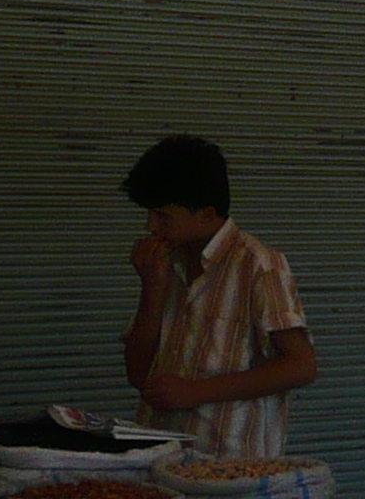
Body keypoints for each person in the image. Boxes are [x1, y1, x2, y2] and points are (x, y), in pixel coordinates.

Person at [121, 135, 319, 457]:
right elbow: (138, 374)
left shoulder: (258, 265)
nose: (150, 226)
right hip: (162, 455)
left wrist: (195, 392)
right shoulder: (165, 264)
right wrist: (151, 288)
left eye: (162, 216)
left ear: (206, 214)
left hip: (232, 464)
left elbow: (301, 366)